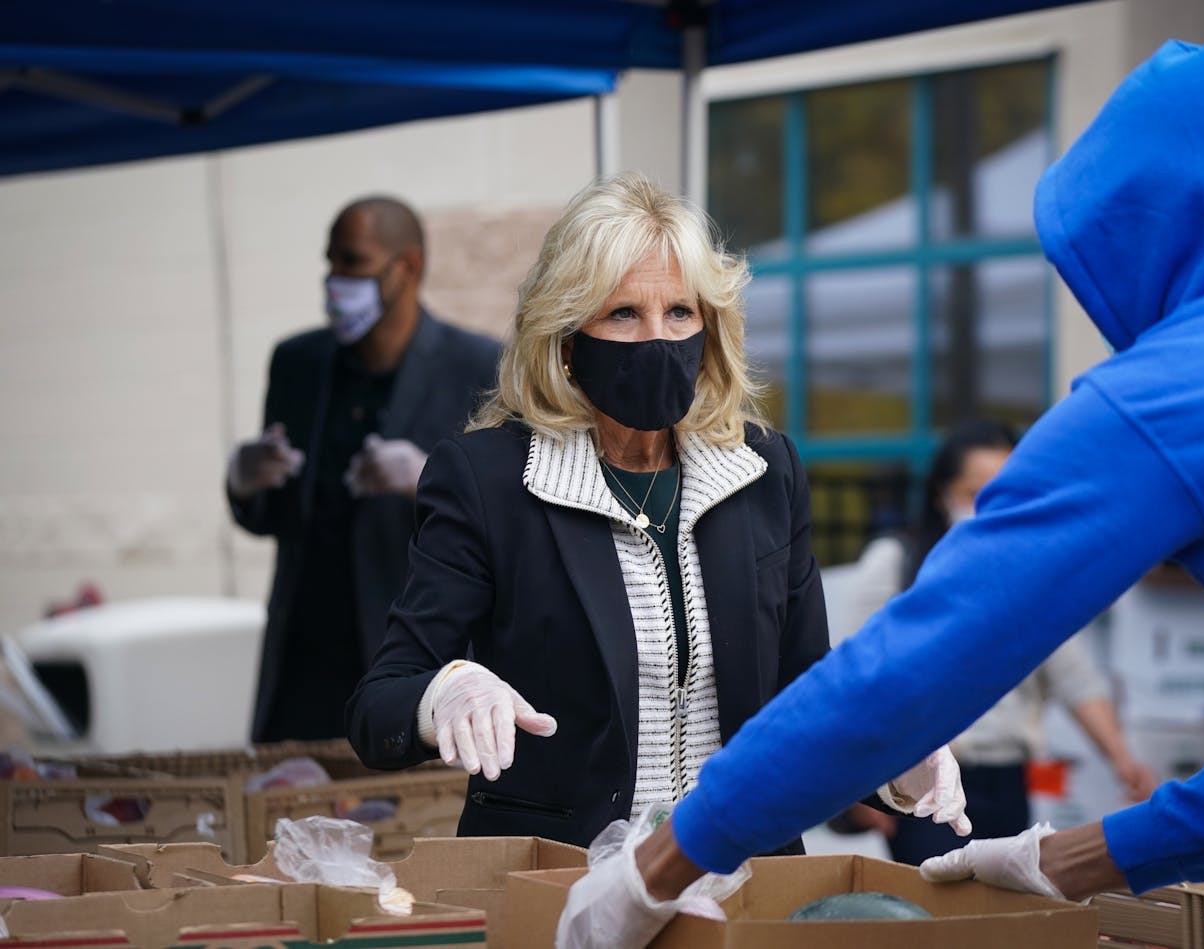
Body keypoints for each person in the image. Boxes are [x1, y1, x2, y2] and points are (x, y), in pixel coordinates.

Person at [556, 26, 1204, 947]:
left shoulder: (1186, 390)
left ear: (1136, 232)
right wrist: (1066, 861)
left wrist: (659, 864)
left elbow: (922, 661)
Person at [344, 173, 968, 850]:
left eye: (679, 311)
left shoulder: (764, 470)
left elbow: (805, 689)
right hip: (561, 883)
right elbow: (378, 706)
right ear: (566, 336)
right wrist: (446, 692)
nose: (656, 338)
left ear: (711, 323)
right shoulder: (490, 480)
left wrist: (892, 758)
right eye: (622, 314)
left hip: (736, 873)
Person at [227, 196, 501, 743]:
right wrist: (245, 477)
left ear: (409, 267)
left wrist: (423, 476)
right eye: (330, 262)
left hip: (412, 655)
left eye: (353, 262)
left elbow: (506, 520)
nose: (336, 281)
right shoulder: (297, 362)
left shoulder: (476, 364)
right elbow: (273, 516)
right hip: (306, 659)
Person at [832, 419, 1157, 865]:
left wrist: (1123, 760)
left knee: (1003, 917)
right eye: (973, 493)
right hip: (928, 784)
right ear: (941, 493)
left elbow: (1074, 677)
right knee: (940, 922)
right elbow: (853, 676)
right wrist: (848, 785)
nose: (988, 507)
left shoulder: (1028, 573)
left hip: (1008, 780)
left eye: (1004, 491)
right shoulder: (897, 564)